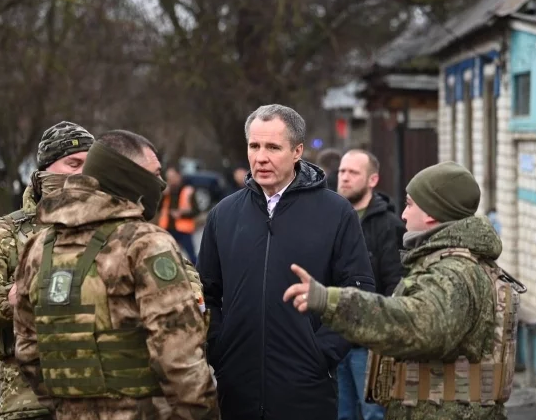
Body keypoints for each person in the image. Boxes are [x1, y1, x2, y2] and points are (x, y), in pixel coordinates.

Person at [283, 161, 526, 420]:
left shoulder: (455, 272)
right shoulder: (455, 263)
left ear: (432, 212)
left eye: (410, 204)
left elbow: (417, 324)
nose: (404, 215)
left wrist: (330, 301)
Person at [13, 130, 218, 420]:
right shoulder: (145, 244)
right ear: (129, 176)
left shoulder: (38, 247)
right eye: (155, 174)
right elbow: (179, 357)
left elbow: (28, 351)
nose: (161, 185)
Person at [197, 104, 375, 420]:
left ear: (297, 151)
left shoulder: (335, 213)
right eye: (254, 146)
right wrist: (219, 348)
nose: (261, 157)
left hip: (307, 390)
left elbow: (359, 292)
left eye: (273, 147)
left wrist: (320, 354)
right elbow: (204, 294)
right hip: (237, 388)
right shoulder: (223, 215)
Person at [0, 121, 94, 420]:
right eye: (73, 163)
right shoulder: (6, 234)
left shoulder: (119, 228)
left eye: (90, 165)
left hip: (106, 400)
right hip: (32, 401)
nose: (83, 173)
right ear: (45, 172)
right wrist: (14, 296)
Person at [336, 149, 406, 420]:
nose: (345, 178)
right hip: (333, 339)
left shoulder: (389, 225)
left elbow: (395, 283)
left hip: (370, 344)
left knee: (374, 414)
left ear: (372, 179)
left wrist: (382, 334)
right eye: (342, 171)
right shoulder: (330, 219)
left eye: (353, 172)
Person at [159, 164, 200, 264]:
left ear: (179, 176)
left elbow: (196, 211)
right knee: (166, 257)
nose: (170, 180)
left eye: (173, 177)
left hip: (184, 231)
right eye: (168, 178)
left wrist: (181, 214)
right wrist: (162, 195)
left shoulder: (188, 190)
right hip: (167, 229)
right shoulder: (166, 191)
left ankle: (200, 277)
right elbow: (158, 208)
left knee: (192, 257)